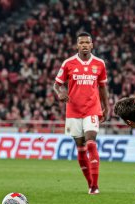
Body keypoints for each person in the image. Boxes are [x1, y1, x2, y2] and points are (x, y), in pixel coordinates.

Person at [54, 32, 109, 194]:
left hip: (92, 108)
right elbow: (57, 84)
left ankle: (95, 185)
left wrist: (106, 106)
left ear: (92, 45)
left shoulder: (99, 64)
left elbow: (102, 87)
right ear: (77, 45)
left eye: (87, 42)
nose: (84, 45)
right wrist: (60, 93)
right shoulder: (68, 63)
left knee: (91, 141)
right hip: (73, 111)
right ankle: (89, 182)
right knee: (80, 147)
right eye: (81, 43)